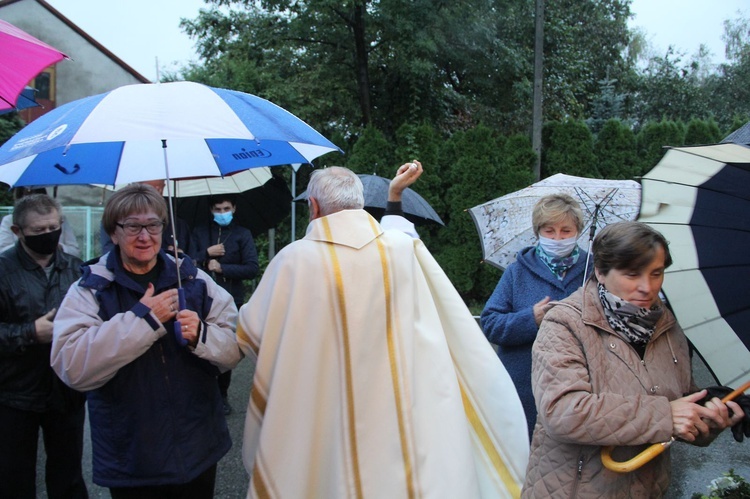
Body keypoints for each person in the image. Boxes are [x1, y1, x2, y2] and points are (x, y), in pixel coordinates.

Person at [236, 164, 529, 498]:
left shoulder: (294, 260)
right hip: (393, 411)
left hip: (322, 405)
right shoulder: (402, 251)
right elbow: (450, 320)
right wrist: (394, 196)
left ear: (313, 207)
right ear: (359, 205)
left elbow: (251, 333)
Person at [522, 221, 744, 498]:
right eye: (632, 274)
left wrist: (709, 416)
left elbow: (677, 405)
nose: (646, 287)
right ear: (601, 272)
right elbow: (564, 412)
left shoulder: (667, 325)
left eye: (656, 273)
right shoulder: (565, 323)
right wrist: (665, 415)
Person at [50, 183, 241, 498]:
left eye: (153, 225)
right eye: (132, 226)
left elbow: (235, 347)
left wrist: (202, 336)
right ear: (113, 233)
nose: (144, 235)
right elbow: (72, 366)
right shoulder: (91, 290)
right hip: (132, 455)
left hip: (197, 447)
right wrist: (144, 321)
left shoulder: (193, 279)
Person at [480, 193, 589, 440]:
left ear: (578, 231)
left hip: (578, 386)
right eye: (549, 231)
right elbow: (490, 323)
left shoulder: (593, 271)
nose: (558, 238)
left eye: (565, 230)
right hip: (524, 387)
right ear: (538, 231)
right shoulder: (517, 272)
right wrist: (531, 319)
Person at [0, 193, 87, 498]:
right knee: (14, 476)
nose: (48, 234)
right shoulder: (3, 271)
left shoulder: (76, 269)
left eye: (54, 226)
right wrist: (28, 333)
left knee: (69, 477)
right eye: (38, 231)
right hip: (15, 393)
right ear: (17, 232)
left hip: (66, 390)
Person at [193, 194, 259, 415]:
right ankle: (202, 392)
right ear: (211, 210)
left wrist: (223, 268)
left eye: (226, 208)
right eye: (218, 209)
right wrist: (206, 254)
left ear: (234, 208)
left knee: (225, 347)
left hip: (231, 298)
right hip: (201, 297)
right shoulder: (200, 232)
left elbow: (252, 268)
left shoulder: (242, 234)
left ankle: (222, 394)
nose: (223, 213)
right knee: (199, 343)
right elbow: (186, 258)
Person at [100, 180, 194, 257]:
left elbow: (193, 259)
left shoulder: (176, 224)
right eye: (133, 226)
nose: (144, 237)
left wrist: (181, 259)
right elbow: (109, 254)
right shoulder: (116, 217)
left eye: (160, 189)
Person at [0, 187, 81, 257]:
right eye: (38, 229)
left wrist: (58, 247)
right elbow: (3, 250)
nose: (47, 233)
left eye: (53, 228)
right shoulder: (9, 220)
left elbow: (74, 251)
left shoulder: (72, 268)